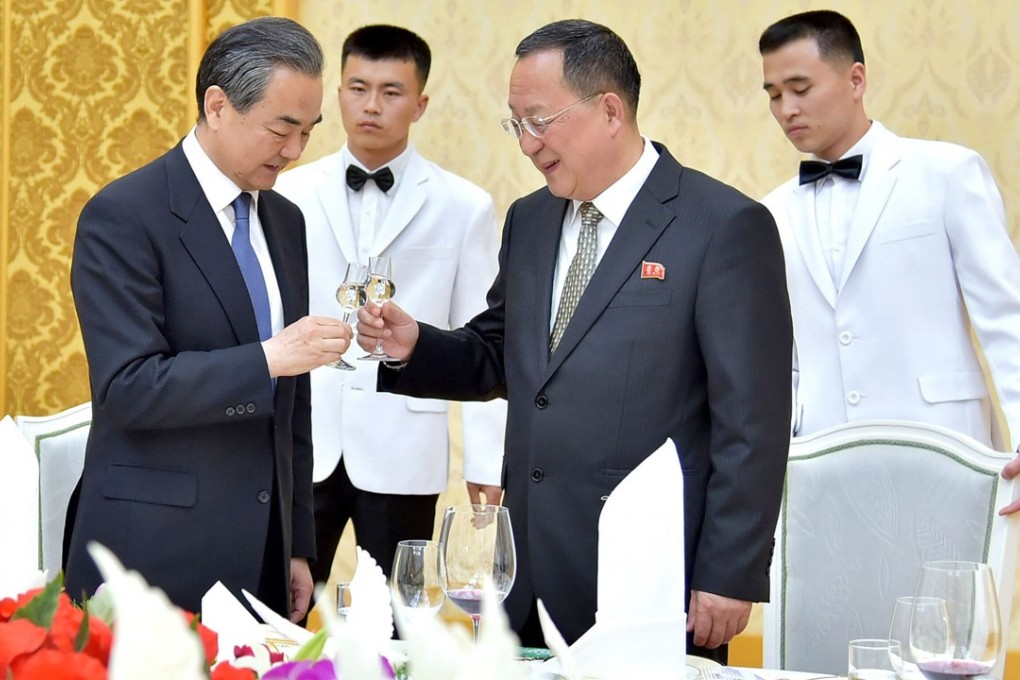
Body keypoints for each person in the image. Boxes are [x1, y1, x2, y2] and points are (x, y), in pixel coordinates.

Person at [357, 19, 792, 659]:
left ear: (609, 110)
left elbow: (753, 421)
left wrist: (728, 572)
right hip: (525, 567)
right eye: (516, 124)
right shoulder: (530, 219)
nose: (526, 145)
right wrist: (416, 344)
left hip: (647, 576)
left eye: (539, 121)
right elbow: (502, 352)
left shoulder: (723, 225)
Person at [65, 17, 351, 623]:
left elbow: (290, 405)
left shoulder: (285, 220)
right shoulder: (123, 215)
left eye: (308, 130)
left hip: (263, 558)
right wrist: (269, 358)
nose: (298, 151)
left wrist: (297, 543)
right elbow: (127, 389)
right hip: (151, 556)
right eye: (282, 128)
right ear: (217, 105)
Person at [274, 24, 506, 588]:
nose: (371, 105)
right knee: (284, 603)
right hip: (306, 437)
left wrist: (486, 461)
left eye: (391, 91)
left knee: (402, 613)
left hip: (405, 445)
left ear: (420, 103)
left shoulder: (465, 206)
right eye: (357, 88)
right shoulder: (288, 192)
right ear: (338, 94)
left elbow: (483, 337)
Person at [758, 10, 1020, 501]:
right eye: (773, 95)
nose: (785, 108)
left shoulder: (947, 172)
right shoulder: (770, 211)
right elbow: (784, 357)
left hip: (947, 451)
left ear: (856, 79)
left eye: (800, 88)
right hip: (820, 467)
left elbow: (1007, 317)